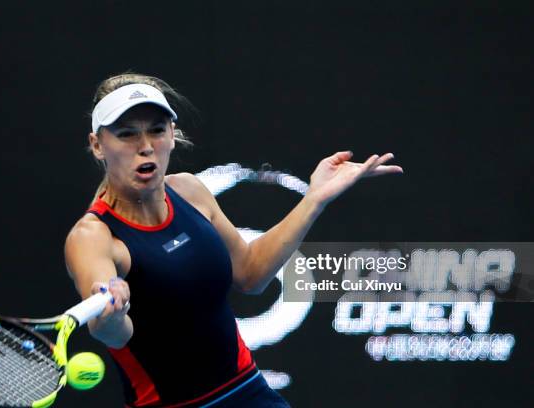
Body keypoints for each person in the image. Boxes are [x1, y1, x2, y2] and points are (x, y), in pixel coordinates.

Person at [65, 72, 403, 408]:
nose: (145, 147)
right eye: (126, 135)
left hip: (250, 392)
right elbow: (112, 332)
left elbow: (252, 274)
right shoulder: (92, 236)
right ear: (98, 145)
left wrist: (315, 198)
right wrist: (111, 313)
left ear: (172, 134)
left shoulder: (190, 191)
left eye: (156, 130)